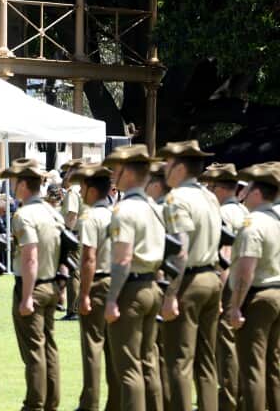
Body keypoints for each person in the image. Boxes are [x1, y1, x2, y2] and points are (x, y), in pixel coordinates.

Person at [156, 140, 222, 411]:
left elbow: (179, 252)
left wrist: (171, 293)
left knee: (179, 361)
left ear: (180, 167)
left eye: (169, 164)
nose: (165, 170)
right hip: (211, 277)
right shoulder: (210, 196)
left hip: (188, 282)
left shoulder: (176, 199)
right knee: (206, 362)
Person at [102, 144, 165, 411]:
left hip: (131, 288)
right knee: (148, 363)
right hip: (152, 285)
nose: (114, 173)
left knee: (128, 368)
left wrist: (112, 299)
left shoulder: (124, 210)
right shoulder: (154, 207)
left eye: (117, 168)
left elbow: (122, 259)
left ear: (128, 172)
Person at [4, 157, 63, 411]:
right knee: (49, 348)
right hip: (51, 284)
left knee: (34, 352)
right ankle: (51, 402)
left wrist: (26, 296)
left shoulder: (24, 214)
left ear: (21, 184)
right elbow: (67, 249)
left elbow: (30, 256)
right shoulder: (51, 212)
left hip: (33, 285)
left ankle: (35, 403)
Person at [222, 162, 280, 411]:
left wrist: (235, 306)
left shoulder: (253, 223)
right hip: (277, 291)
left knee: (252, 368)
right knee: (273, 366)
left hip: (257, 296)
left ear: (256, 192)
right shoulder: (276, 219)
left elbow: (247, 269)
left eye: (248, 189)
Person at [70, 162, 117, 411]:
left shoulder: (89, 217)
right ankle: (116, 402)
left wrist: (84, 294)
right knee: (114, 349)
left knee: (92, 348)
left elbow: (89, 258)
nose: (79, 193)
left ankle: (89, 403)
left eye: (82, 187)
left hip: (98, 283)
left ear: (90, 189)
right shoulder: (116, 213)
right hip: (118, 283)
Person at [205, 162, 246, 411]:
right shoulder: (244, 212)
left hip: (230, 283)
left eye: (211, 186)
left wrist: (219, 296)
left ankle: (228, 401)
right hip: (248, 282)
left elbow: (225, 257)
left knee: (226, 344)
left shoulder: (224, 214)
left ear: (221, 188)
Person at [59, 159, 85, 322]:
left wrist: (66, 235)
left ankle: (74, 309)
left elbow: (71, 215)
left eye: (68, 171)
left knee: (73, 273)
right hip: (86, 234)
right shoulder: (85, 189)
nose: (66, 174)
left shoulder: (73, 191)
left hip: (75, 234)